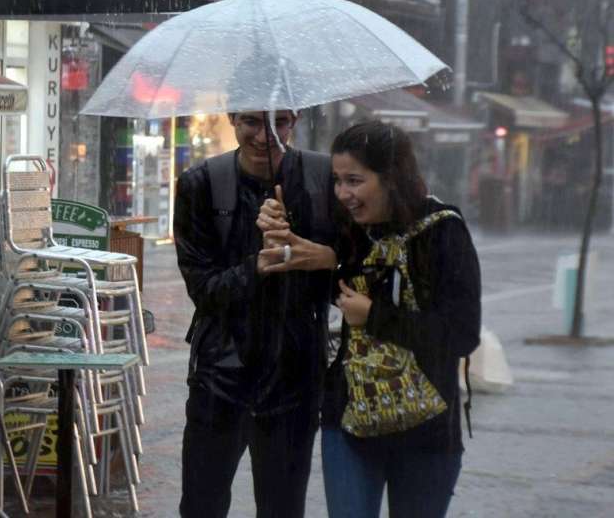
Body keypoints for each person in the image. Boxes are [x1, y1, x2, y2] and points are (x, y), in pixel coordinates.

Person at [257, 120, 481, 518]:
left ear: (393, 176)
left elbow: (462, 335)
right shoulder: (345, 228)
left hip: (426, 430)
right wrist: (281, 235)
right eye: (338, 181)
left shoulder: (443, 232)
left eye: (355, 181)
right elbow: (301, 295)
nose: (344, 194)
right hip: (348, 421)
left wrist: (375, 315)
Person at [173, 109, 336, 518]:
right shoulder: (202, 185)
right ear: (231, 118)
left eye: (280, 122)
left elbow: (353, 274)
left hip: (296, 376)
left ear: (295, 118)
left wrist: (319, 255)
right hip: (220, 373)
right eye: (252, 122)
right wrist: (257, 265)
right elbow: (204, 290)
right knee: (201, 505)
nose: (266, 136)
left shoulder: (322, 180)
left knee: (282, 508)